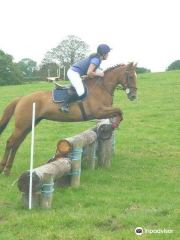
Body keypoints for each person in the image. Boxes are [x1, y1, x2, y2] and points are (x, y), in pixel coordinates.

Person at [60, 44, 112, 113]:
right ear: (103, 54)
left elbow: (91, 75)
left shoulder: (97, 59)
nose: (108, 55)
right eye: (107, 53)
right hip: (73, 73)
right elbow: (89, 73)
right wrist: (99, 74)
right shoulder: (96, 60)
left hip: (75, 73)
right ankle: (64, 105)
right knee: (81, 91)